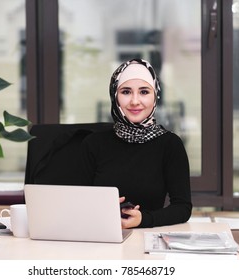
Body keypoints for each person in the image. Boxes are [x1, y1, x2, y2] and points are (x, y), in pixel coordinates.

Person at [79, 58, 192, 229]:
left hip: (148, 239)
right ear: (114, 96)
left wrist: (143, 219)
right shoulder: (93, 144)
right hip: (99, 236)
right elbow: (76, 202)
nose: (135, 101)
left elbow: (182, 208)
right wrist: (98, 206)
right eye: (126, 92)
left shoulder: (170, 144)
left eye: (144, 92)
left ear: (155, 96)